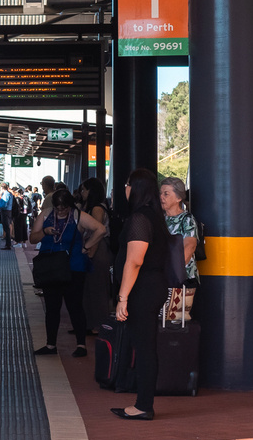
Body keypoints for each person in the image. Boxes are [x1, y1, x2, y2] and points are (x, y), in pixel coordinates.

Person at [112, 168, 169, 420]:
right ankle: (143, 402)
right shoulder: (154, 216)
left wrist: (122, 297)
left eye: (127, 183)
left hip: (142, 289)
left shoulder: (140, 219)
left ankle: (144, 405)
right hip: (151, 286)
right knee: (145, 345)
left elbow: (134, 261)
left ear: (136, 188)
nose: (124, 188)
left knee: (144, 347)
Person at [30, 188, 106, 357]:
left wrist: (86, 247)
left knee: (75, 306)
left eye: (64, 208)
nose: (61, 211)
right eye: (58, 208)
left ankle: (81, 345)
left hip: (74, 267)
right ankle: (51, 345)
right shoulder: (46, 214)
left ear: (70, 206)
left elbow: (101, 229)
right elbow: (32, 238)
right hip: (51, 267)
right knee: (52, 307)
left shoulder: (78, 216)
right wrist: (44, 232)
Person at [159, 176, 200, 322]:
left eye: (166, 194)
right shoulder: (160, 219)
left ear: (178, 198)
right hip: (162, 276)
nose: (161, 197)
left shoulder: (186, 219)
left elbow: (190, 246)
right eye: (160, 193)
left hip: (182, 277)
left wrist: (174, 271)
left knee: (176, 318)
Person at [79, 177, 113, 331]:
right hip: (97, 250)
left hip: (97, 250)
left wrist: (89, 252)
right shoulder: (96, 207)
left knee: (97, 288)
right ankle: (91, 323)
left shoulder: (97, 209)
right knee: (92, 288)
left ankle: (98, 325)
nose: (82, 193)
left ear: (90, 191)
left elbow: (97, 232)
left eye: (84, 189)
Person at [0, 181, 14, 249]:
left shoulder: (6, 194)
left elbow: (4, 204)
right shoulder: (9, 194)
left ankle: (8, 244)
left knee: (6, 228)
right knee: (7, 228)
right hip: (9, 211)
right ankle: (8, 244)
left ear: (2, 188)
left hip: (5, 212)